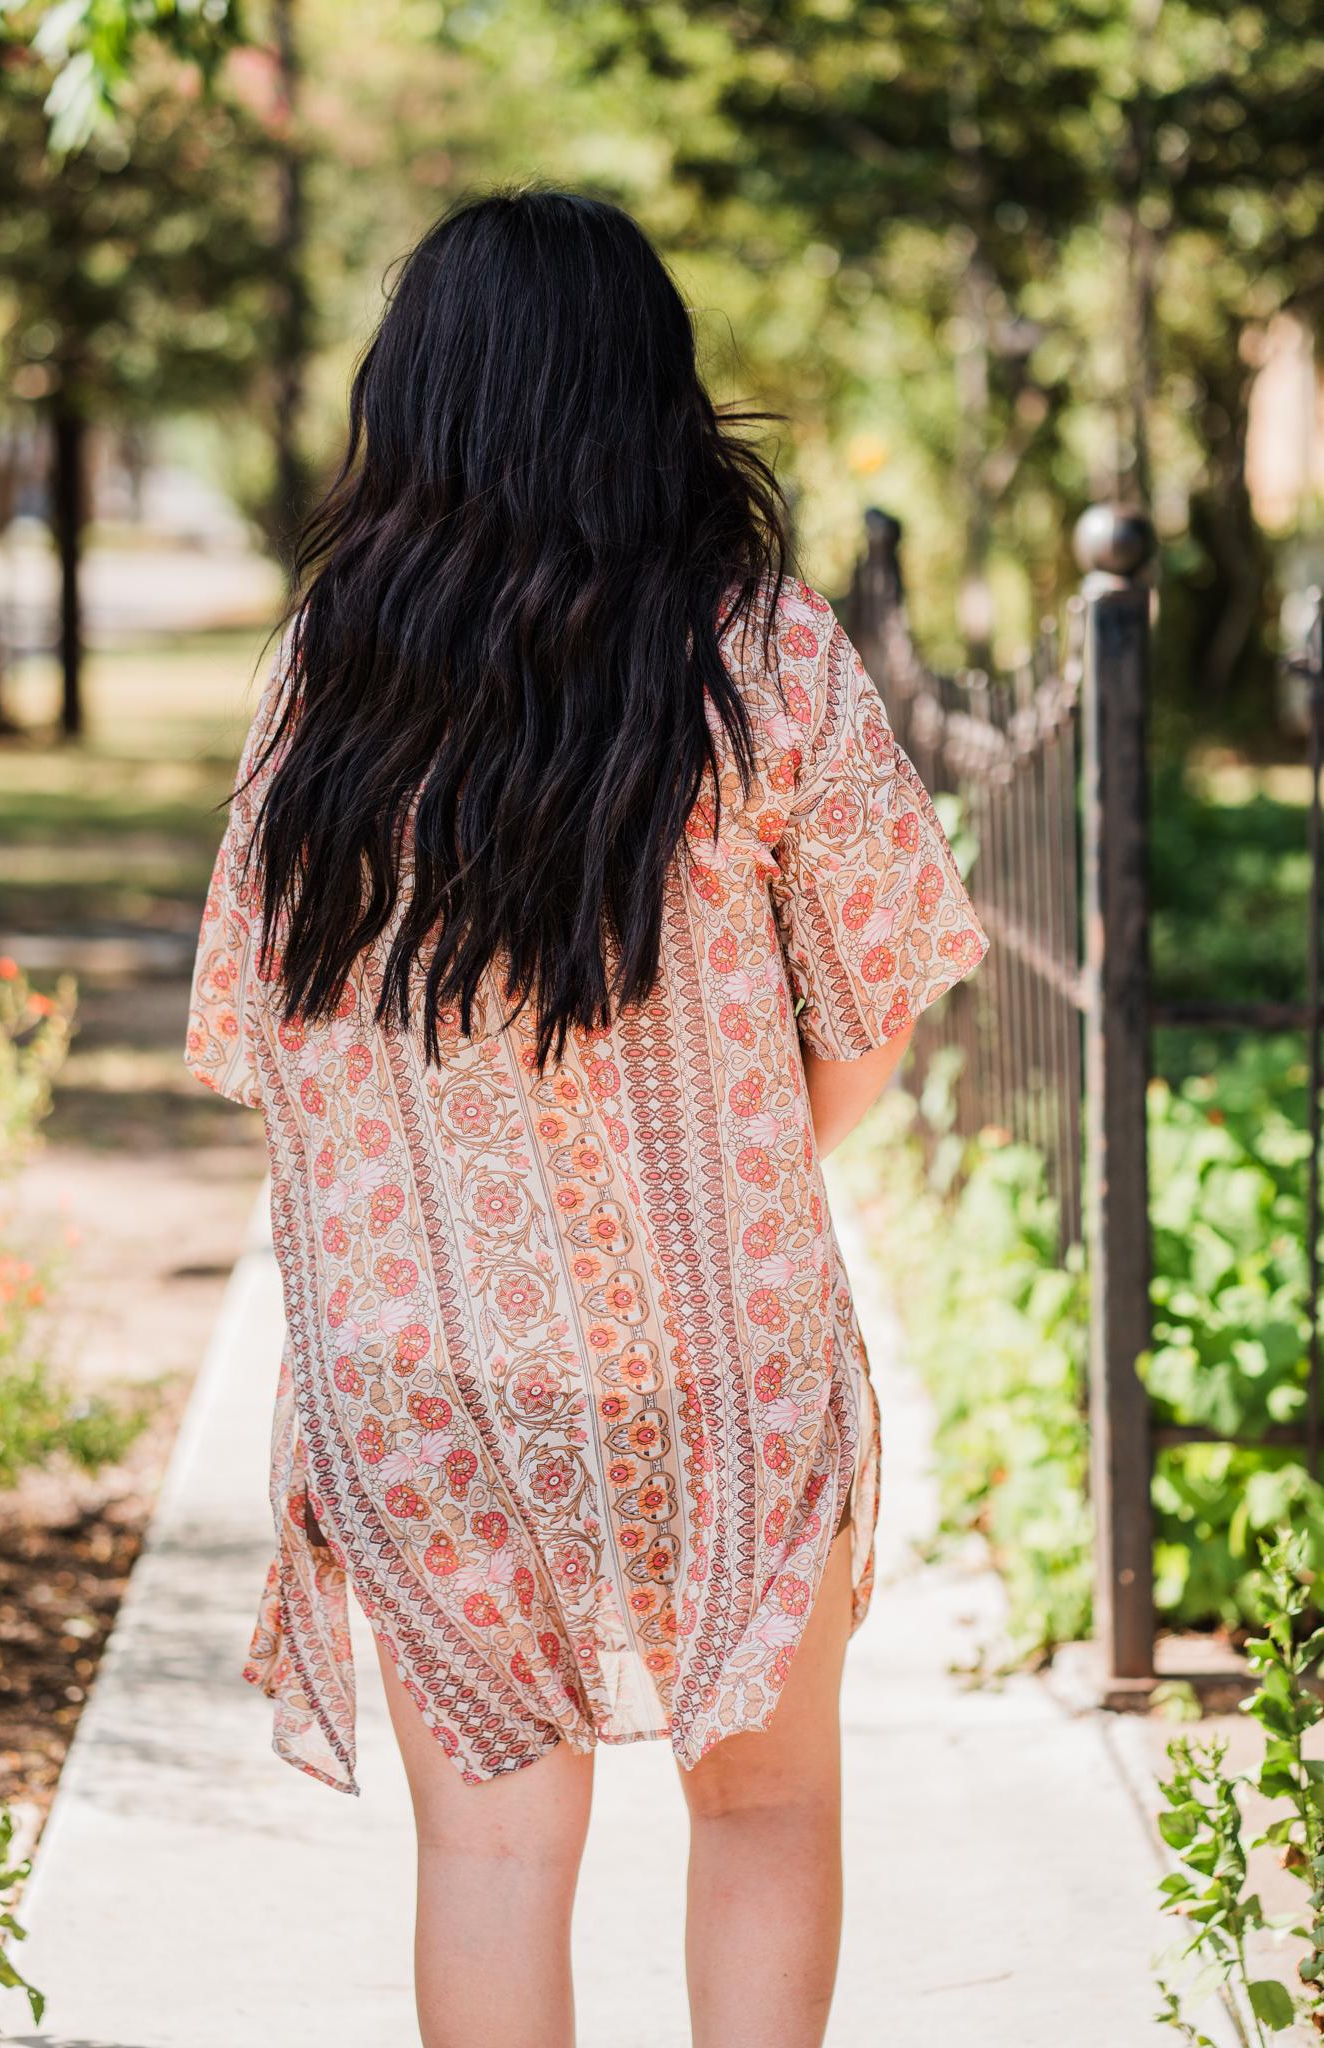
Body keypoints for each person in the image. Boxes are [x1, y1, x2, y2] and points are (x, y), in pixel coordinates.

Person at [185, 187, 987, 2048]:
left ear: (421, 398)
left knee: (486, 1861)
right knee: (767, 1809)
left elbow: (265, 1045)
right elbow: (868, 1023)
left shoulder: (327, 679)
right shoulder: (763, 654)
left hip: (423, 1368)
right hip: (720, 1356)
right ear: (649, 393)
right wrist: (716, 1189)